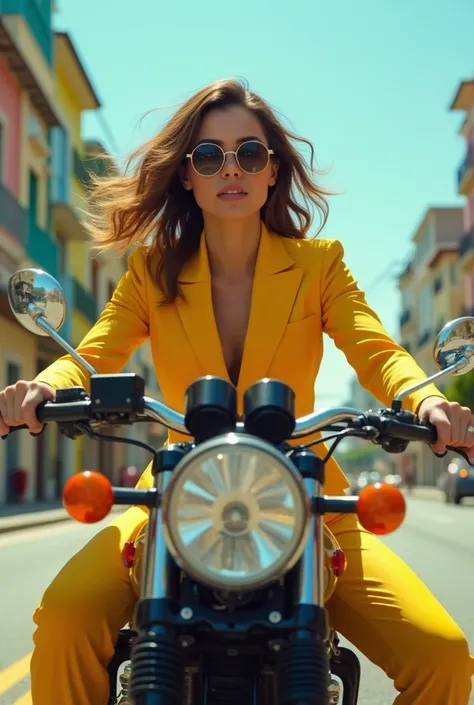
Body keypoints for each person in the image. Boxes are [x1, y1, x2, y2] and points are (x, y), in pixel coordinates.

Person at [0, 78, 473, 705]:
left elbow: (377, 349)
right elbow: (92, 355)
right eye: (208, 155)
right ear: (187, 176)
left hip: (305, 499)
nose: (231, 168)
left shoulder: (319, 265)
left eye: (249, 153)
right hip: (174, 501)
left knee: (442, 656)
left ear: (272, 171)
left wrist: (427, 401)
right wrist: (42, 387)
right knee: (63, 621)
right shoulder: (150, 271)